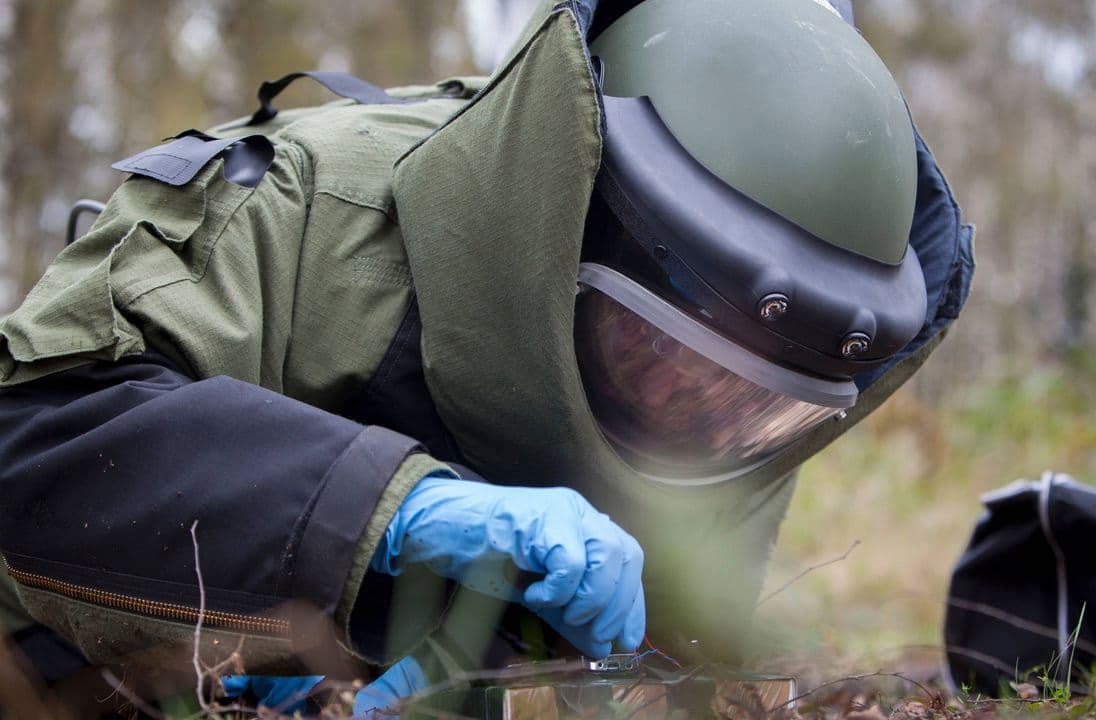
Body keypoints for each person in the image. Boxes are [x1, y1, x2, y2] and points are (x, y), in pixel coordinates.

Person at [0, 0, 973, 715]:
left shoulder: (735, 403)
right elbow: (30, 439)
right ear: (579, 241)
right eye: (658, 353)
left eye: (749, 408)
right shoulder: (294, 214)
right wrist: (387, 513)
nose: (697, 408)